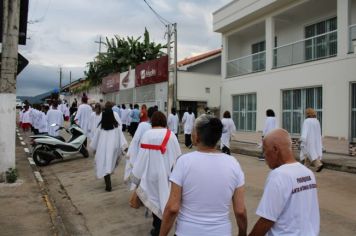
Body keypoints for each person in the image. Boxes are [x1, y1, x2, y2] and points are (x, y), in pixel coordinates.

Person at [160, 115, 247, 236]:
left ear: (197, 136)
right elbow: (240, 211)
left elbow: (172, 208)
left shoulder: (183, 162)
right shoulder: (233, 164)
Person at [249, 129, 320, 236]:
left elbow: (266, 220)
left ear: (275, 149)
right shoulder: (308, 173)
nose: (264, 155)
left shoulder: (279, 175)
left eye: (265, 150)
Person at [130, 111, 181, 236]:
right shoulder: (171, 135)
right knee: (164, 200)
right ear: (164, 121)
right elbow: (178, 157)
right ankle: (160, 227)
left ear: (152, 121)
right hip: (167, 175)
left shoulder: (147, 134)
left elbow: (142, 157)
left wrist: (136, 176)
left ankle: (156, 226)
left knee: (153, 200)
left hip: (150, 176)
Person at [90, 102, 126, 192]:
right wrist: (125, 148)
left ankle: (108, 183)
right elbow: (122, 139)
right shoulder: (116, 127)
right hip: (113, 149)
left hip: (102, 150)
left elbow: (95, 140)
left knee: (104, 164)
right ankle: (108, 179)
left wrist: (94, 148)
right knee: (109, 164)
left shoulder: (100, 127)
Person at [124, 106, 156, 185]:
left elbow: (135, 140)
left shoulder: (143, 125)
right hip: (154, 156)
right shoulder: (159, 128)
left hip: (141, 153)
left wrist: (131, 152)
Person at [300, 108, 324, 172]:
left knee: (309, 152)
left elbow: (305, 130)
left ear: (307, 114)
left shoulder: (307, 121)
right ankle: (305, 167)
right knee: (309, 153)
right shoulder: (317, 121)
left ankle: (319, 164)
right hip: (315, 140)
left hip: (309, 140)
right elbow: (319, 131)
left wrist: (303, 139)